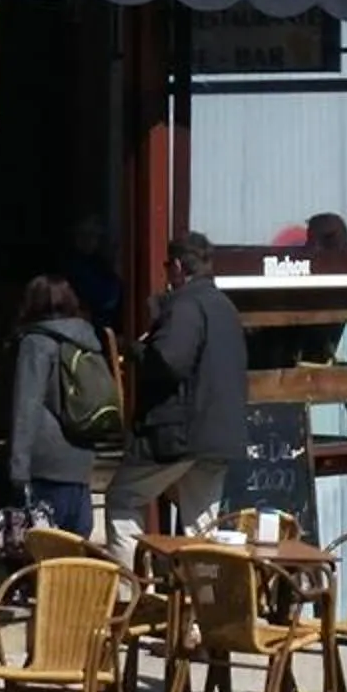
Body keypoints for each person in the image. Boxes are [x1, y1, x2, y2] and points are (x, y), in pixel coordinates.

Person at [106, 232, 248, 564]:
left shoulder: (185, 306)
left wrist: (137, 350)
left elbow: (169, 362)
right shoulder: (225, 307)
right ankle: (205, 608)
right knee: (202, 529)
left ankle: (134, 597)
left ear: (179, 267)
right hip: (220, 435)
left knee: (123, 499)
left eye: (169, 266)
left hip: (180, 432)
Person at [5, 276, 104, 538]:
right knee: (72, 550)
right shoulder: (87, 339)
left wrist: (18, 468)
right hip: (80, 459)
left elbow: (26, 408)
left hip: (44, 463)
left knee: (38, 551)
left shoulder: (35, 343)